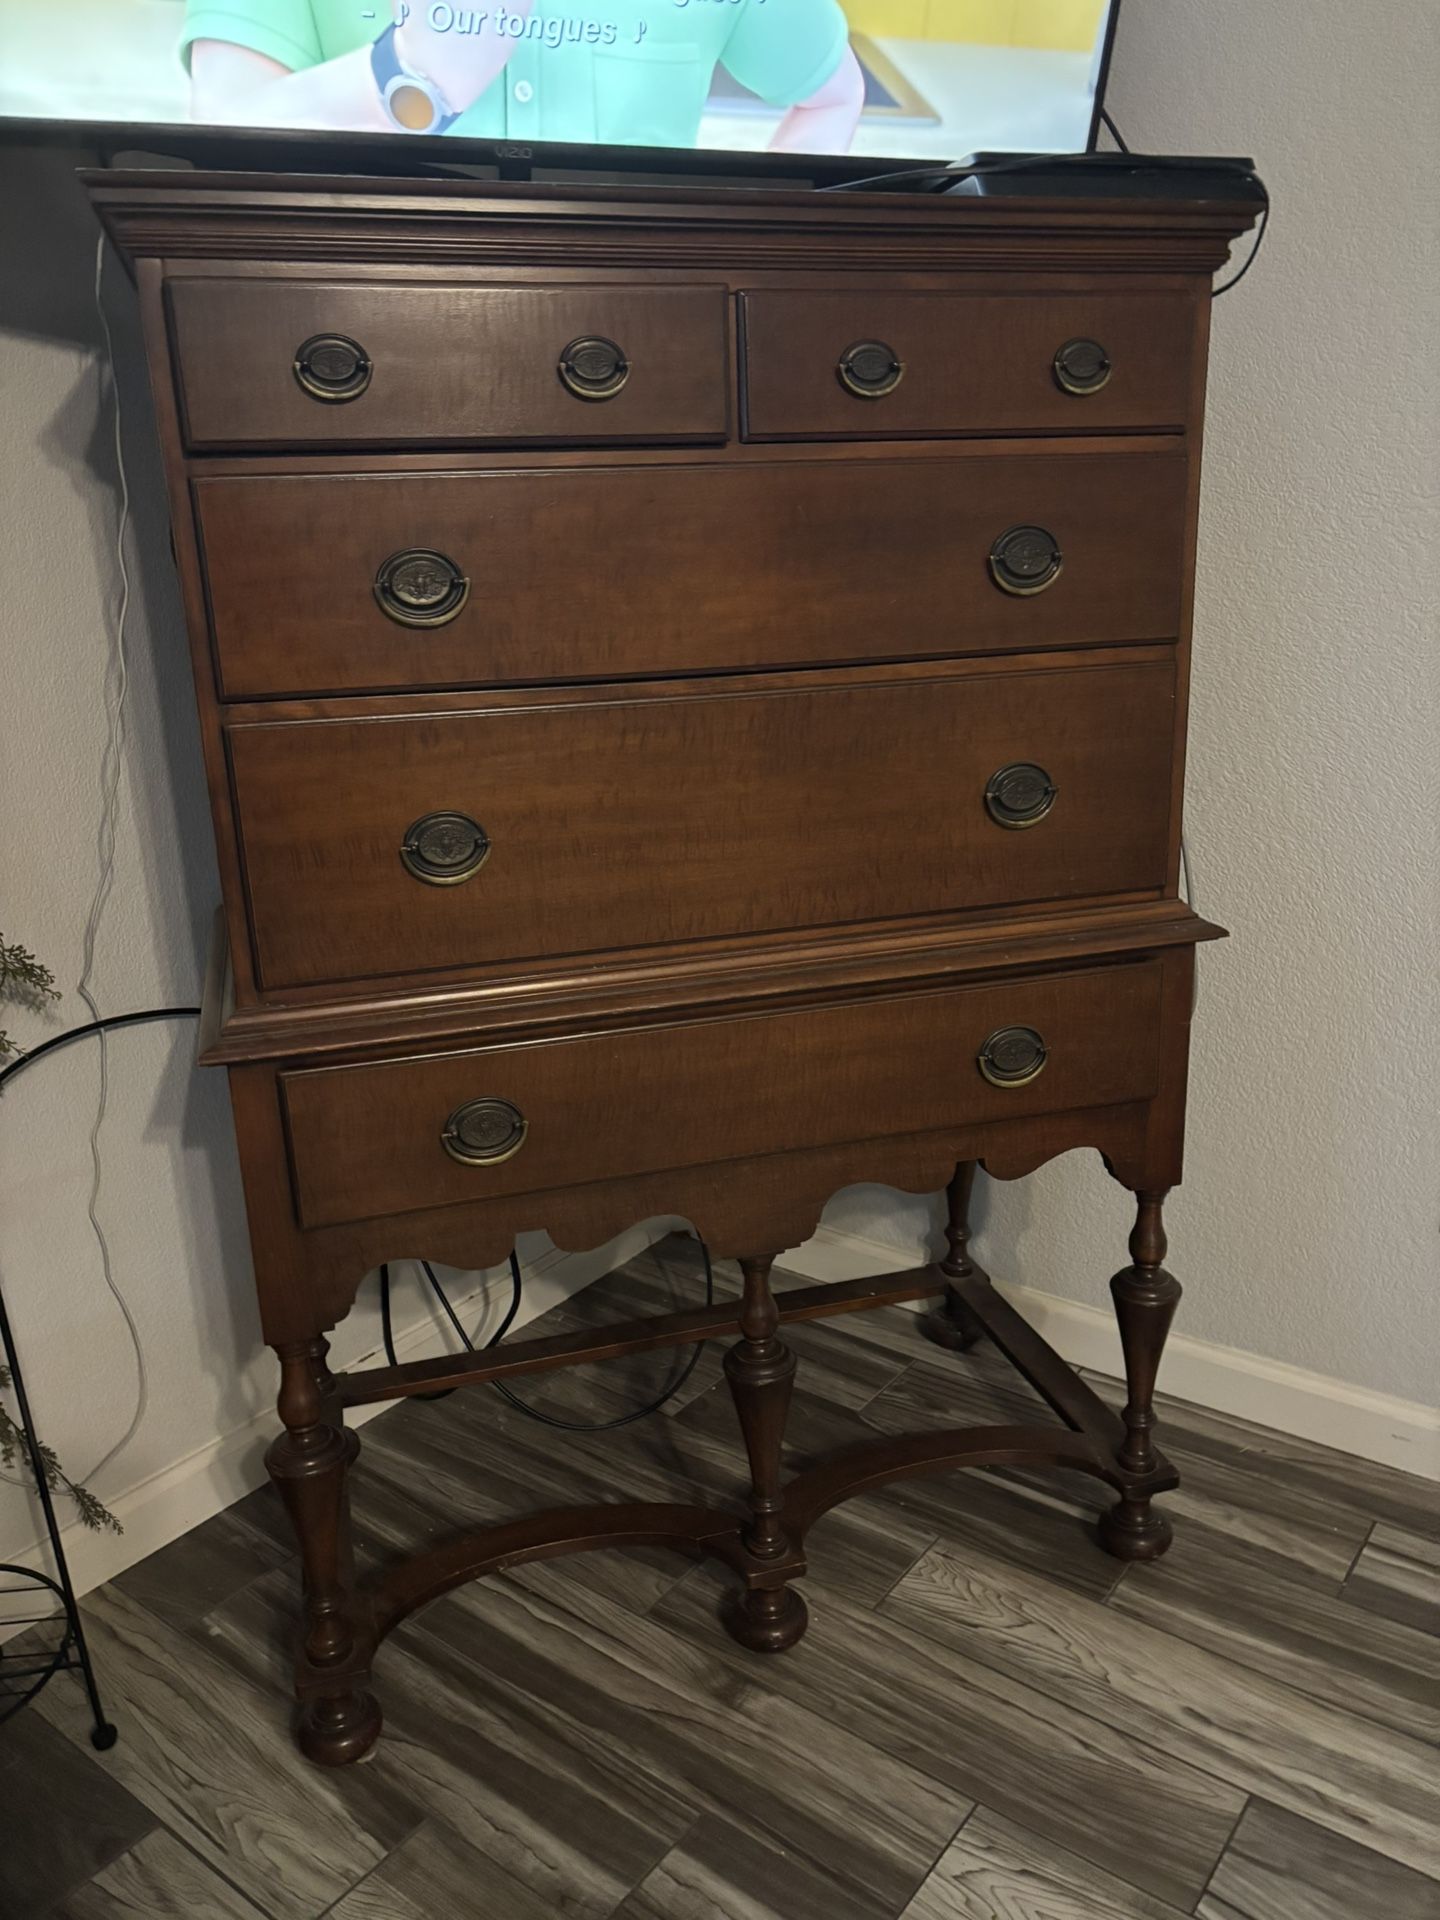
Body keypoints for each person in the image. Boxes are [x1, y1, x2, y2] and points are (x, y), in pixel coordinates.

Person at [184, 1, 864, 154]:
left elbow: (832, 98)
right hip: (350, 357)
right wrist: (407, 80)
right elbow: (213, 140)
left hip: (638, 366)